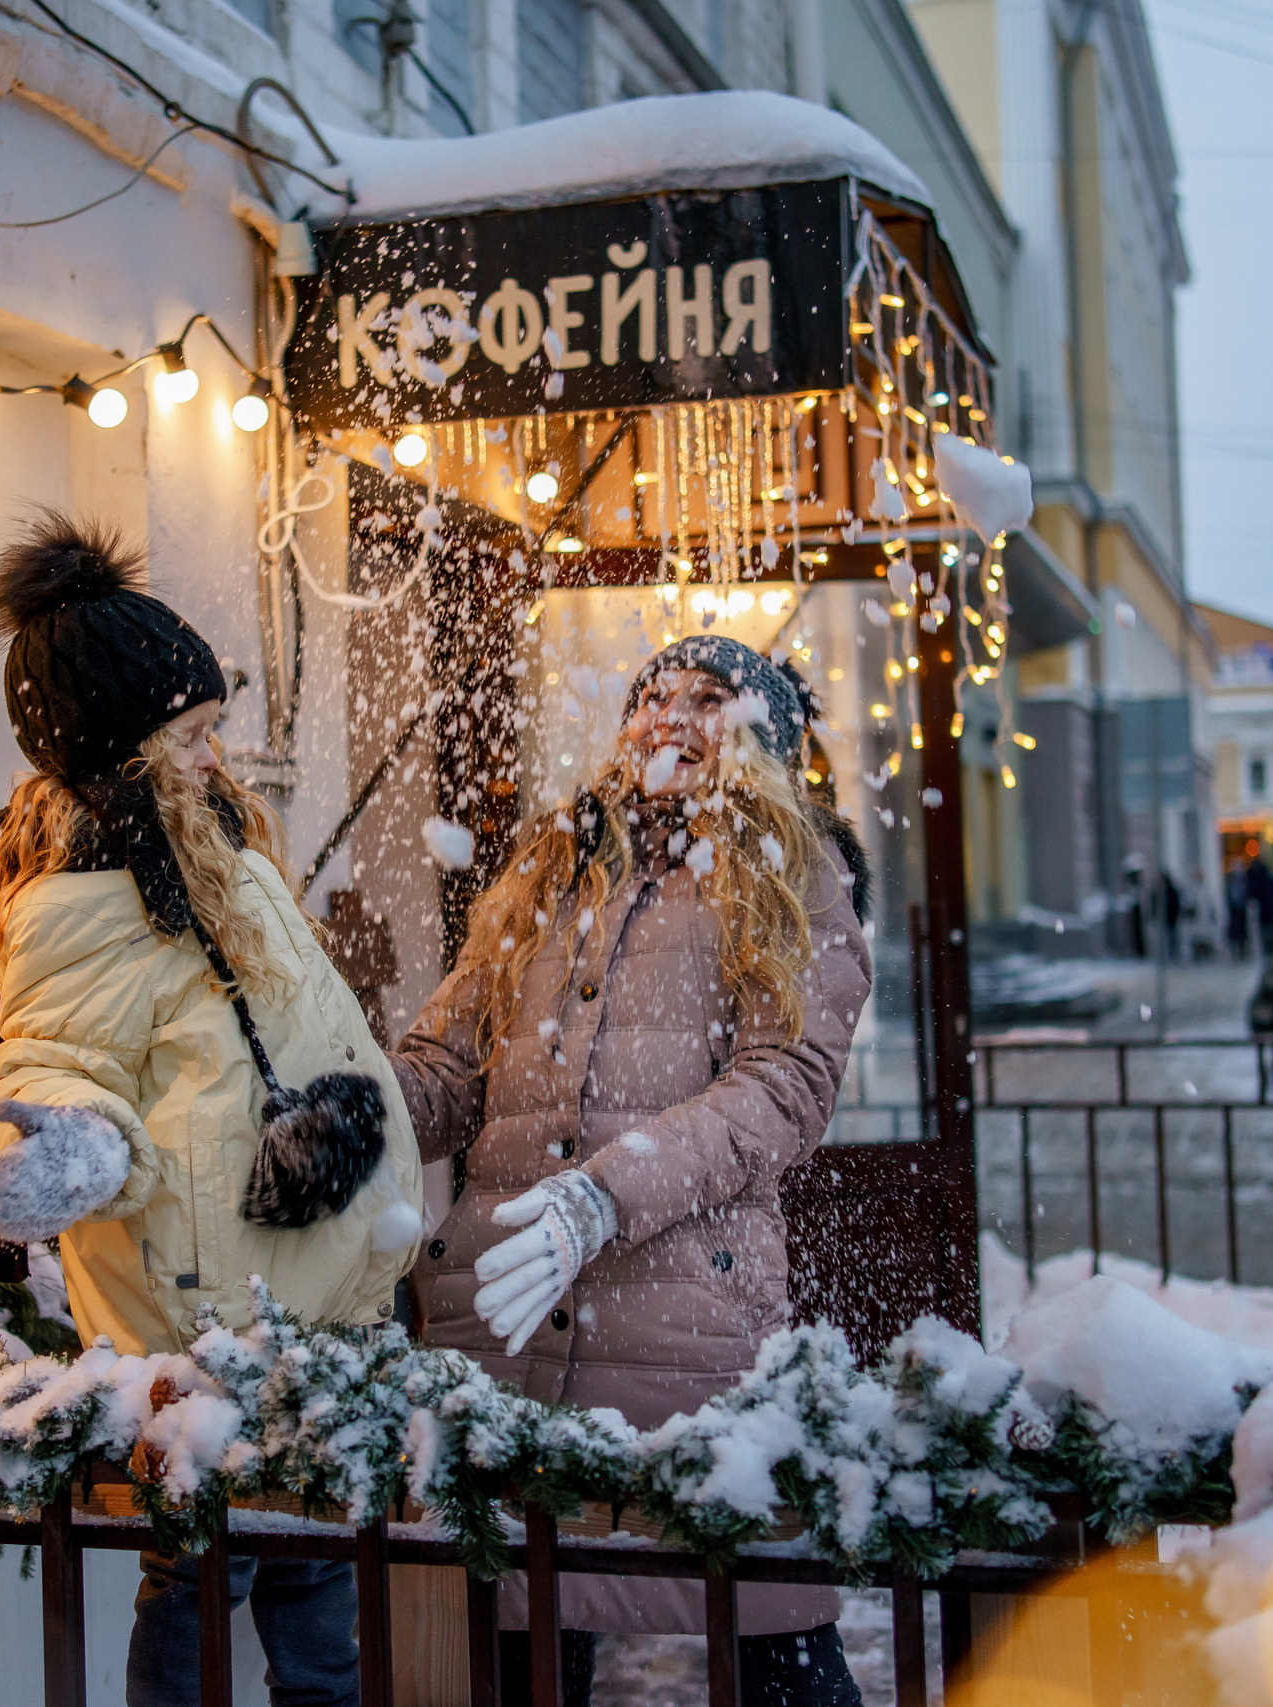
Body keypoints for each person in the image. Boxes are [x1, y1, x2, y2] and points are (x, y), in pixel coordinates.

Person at [0, 515, 423, 1707]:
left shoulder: (219, 854)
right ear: (126, 750)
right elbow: (55, 1052)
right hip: (214, 1326)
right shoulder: (81, 904)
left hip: (310, 1301)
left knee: (316, 1582)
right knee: (202, 1589)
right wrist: (72, 1144)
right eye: (194, 735)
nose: (217, 757)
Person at [390, 635, 875, 1707]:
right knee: (514, 1637)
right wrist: (356, 1115)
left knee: (765, 1626)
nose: (671, 717)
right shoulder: (547, 869)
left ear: (764, 740)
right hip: (502, 1311)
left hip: (680, 1318)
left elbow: (785, 1083)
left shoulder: (795, 871)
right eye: (653, 697)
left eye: (710, 700)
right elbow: (448, 1065)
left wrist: (605, 1193)